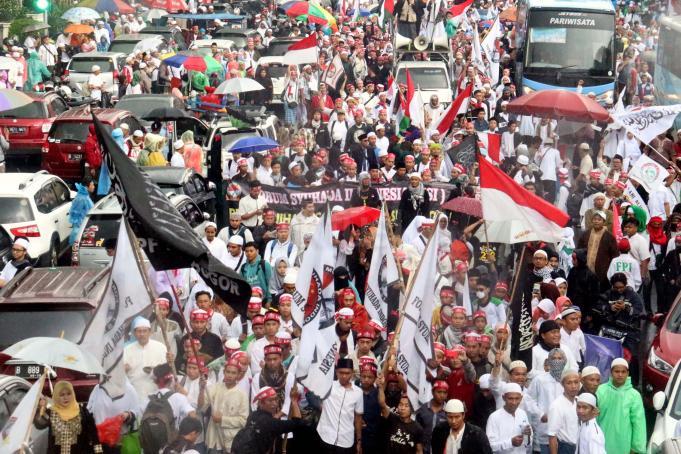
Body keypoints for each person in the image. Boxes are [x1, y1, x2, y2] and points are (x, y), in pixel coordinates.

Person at [34, 381, 103, 453]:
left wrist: (98, 452)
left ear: (73, 394)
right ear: (56, 396)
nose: (65, 397)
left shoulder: (83, 412)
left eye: (68, 394)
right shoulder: (52, 412)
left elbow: (94, 435)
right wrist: (42, 408)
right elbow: (39, 424)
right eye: (62, 395)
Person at [596, 358, 646, 454]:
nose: (620, 375)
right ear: (611, 372)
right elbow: (594, 419)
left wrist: (636, 448)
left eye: (623, 372)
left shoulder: (634, 395)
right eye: (617, 371)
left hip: (624, 445)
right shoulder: (600, 391)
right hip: (601, 442)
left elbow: (639, 424)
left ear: (627, 373)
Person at [201, 358, 249, 453]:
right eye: (228, 372)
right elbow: (202, 405)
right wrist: (202, 389)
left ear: (239, 375)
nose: (230, 375)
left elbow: (243, 421)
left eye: (233, 373)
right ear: (224, 372)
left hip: (229, 443)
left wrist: (222, 420)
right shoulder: (216, 387)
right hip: (213, 439)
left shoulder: (242, 395)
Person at [316, 358, 364, 452]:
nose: (344, 376)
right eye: (341, 372)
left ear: (352, 373)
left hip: (346, 440)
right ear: (336, 372)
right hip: (325, 436)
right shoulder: (328, 386)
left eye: (347, 373)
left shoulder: (358, 392)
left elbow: (358, 418)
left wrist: (359, 441)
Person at [124, 316, 170, 399]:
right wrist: (123, 369)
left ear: (150, 332)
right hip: (134, 393)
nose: (142, 334)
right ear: (134, 333)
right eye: (139, 331)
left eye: (145, 331)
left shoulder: (161, 347)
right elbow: (122, 373)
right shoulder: (127, 349)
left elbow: (167, 371)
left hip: (156, 393)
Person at [377, 373, 424, 453]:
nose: (402, 408)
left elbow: (419, 451)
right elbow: (382, 404)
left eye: (406, 406)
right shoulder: (392, 418)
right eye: (401, 404)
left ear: (412, 409)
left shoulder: (417, 428)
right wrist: (381, 387)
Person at [485, 383, 533, 453]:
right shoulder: (494, 417)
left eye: (517, 398)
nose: (514, 402)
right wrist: (510, 443)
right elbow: (490, 446)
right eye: (510, 398)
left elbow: (527, 445)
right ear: (503, 398)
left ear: (521, 398)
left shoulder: (523, 414)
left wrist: (528, 437)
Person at [547, 369, 580, 454]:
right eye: (569, 383)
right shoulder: (557, 405)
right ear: (562, 384)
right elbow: (552, 436)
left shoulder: (579, 401)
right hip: (566, 448)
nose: (573, 386)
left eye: (576, 382)